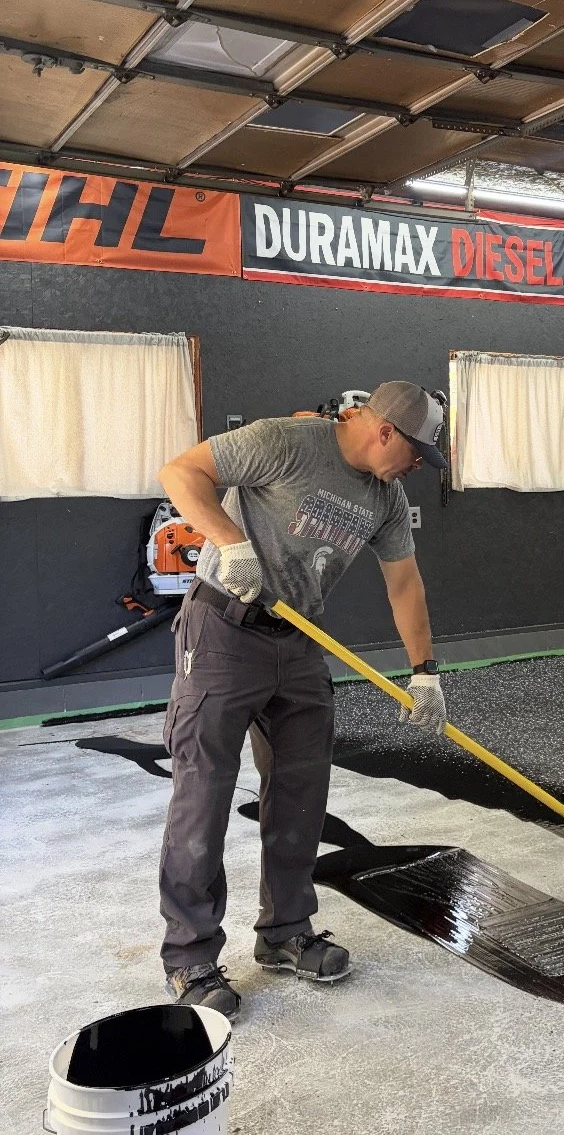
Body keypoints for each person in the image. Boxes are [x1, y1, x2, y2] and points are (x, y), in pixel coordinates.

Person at [155, 381, 449, 1019]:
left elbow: (405, 584)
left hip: (299, 642)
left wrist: (424, 672)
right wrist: (230, 542)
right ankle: (191, 957)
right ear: (385, 431)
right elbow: (181, 472)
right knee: (203, 793)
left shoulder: (387, 499)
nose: (420, 467)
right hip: (222, 632)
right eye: (419, 452)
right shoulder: (284, 442)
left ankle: (286, 931)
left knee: (301, 791)